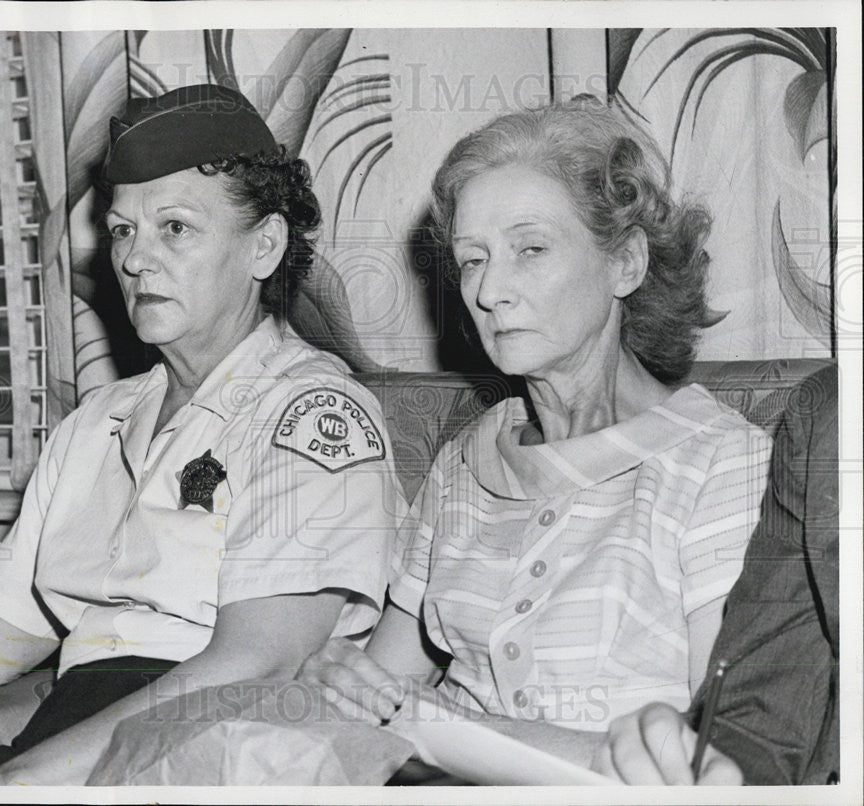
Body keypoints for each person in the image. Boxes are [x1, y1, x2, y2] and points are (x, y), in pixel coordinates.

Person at [0, 84, 399, 785]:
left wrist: (14, 782)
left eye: (176, 228)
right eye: (124, 229)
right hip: (76, 727)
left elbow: (254, 665)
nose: (133, 259)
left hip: (210, 749)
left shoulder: (313, 416)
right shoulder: (94, 425)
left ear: (265, 246)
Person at [297, 97, 772, 785]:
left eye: (531, 249)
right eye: (472, 260)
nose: (490, 291)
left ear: (626, 263)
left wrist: (428, 720)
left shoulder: (723, 464)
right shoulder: (467, 460)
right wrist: (334, 677)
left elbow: (709, 761)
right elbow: (380, 685)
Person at [600, 364, 839, 785]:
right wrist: (703, 768)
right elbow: (762, 720)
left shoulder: (720, 447)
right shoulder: (827, 407)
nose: (488, 296)